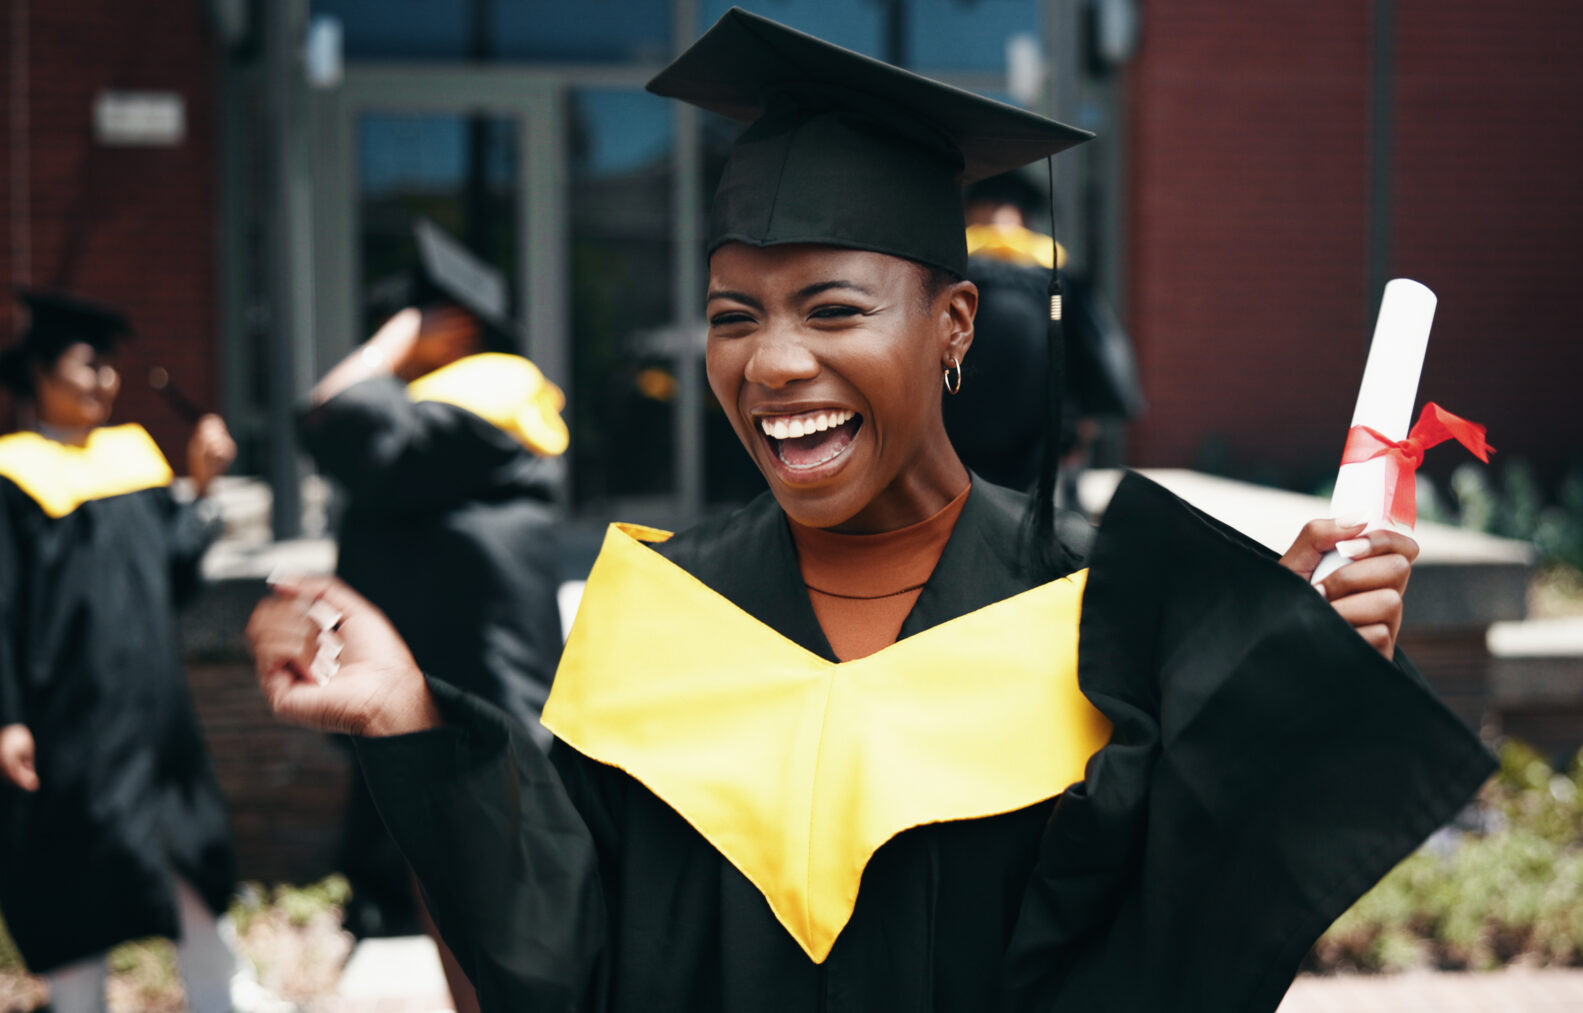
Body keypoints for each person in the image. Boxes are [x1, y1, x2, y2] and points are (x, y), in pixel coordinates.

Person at [247, 11, 1495, 1011]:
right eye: (736, 316)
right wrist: (410, 721)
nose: (774, 362)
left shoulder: (1092, 619)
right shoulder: (662, 618)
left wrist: (1273, 692)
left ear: (953, 322)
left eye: (834, 308)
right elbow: (565, 959)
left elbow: (1169, 952)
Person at [298, 220, 569, 1007]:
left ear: (455, 323)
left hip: (473, 701)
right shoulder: (469, 409)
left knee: (482, 911)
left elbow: (332, 418)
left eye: (416, 315)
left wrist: (388, 348)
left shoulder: (482, 395)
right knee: (454, 901)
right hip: (454, 691)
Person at [0, 290, 270, 1013]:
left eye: (109, 369)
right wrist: (7, 717)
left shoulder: (134, 455)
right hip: (70, 714)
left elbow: (174, 576)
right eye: (87, 365)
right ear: (37, 370)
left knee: (189, 844)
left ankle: (222, 992)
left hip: (155, 709)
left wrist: (202, 486)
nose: (104, 382)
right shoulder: (13, 472)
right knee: (75, 863)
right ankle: (76, 1001)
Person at [945, 171, 1144, 498]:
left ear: (969, 213)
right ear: (1024, 218)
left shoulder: (946, 276)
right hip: (1039, 459)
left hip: (952, 456)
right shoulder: (1059, 279)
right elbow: (1103, 367)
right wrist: (1078, 431)